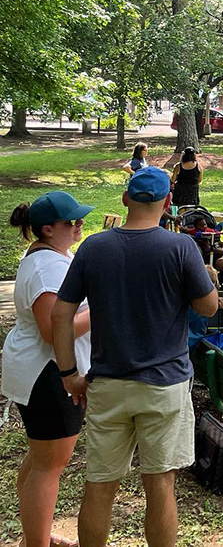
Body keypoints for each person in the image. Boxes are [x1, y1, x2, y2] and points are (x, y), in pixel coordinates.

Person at [51, 166, 218, 547]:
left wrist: (68, 374)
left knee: (100, 483)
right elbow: (208, 308)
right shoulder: (180, 247)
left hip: (107, 383)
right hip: (165, 386)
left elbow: (61, 313)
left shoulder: (94, 246)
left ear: (126, 199)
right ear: (168, 202)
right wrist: (204, 277)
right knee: (160, 483)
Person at [3, 192, 94, 547]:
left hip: (41, 370)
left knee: (41, 459)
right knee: (49, 464)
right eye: (70, 222)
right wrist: (102, 309)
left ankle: (33, 536)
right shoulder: (47, 267)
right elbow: (53, 329)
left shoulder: (51, 256)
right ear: (47, 229)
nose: (78, 225)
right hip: (48, 373)